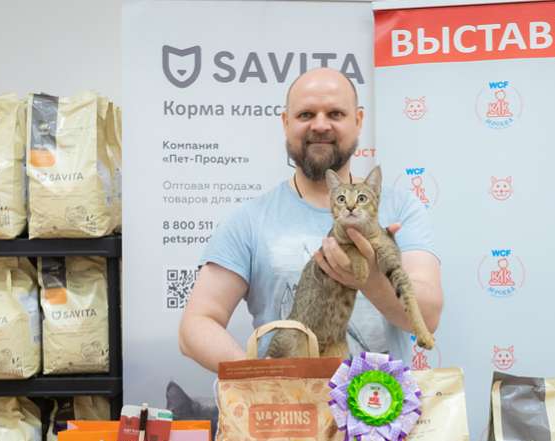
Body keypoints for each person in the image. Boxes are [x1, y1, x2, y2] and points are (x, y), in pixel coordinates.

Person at [179, 67, 442, 372]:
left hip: (381, 399)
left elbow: (429, 316)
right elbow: (196, 325)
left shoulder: (402, 207)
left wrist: (370, 279)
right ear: (285, 122)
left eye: (335, 114)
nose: (320, 125)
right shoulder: (248, 219)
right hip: (287, 399)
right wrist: (260, 379)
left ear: (358, 121)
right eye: (306, 114)